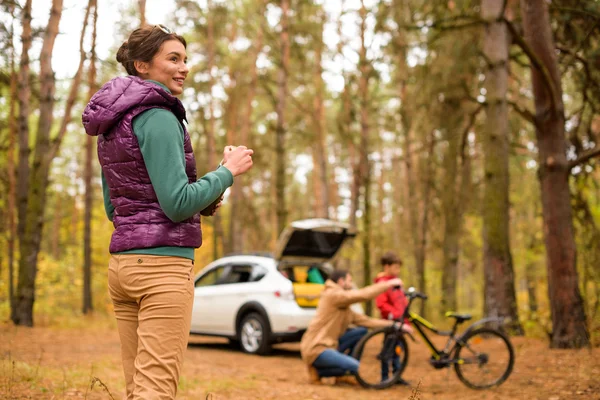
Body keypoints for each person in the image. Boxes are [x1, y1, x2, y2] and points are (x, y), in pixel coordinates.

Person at [82, 24, 253, 400]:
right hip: (162, 270)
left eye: (186, 59)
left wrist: (209, 195)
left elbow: (118, 205)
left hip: (123, 267)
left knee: (138, 388)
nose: (184, 68)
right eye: (173, 58)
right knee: (155, 390)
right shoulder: (158, 115)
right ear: (142, 65)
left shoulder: (114, 123)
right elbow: (175, 204)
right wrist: (227, 171)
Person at [300, 269, 410, 385]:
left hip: (330, 344)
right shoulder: (333, 295)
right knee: (354, 366)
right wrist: (388, 284)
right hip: (316, 347)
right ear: (341, 282)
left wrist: (395, 325)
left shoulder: (344, 307)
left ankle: (342, 375)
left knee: (361, 331)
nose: (352, 284)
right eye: (350, 281)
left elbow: (368, 321)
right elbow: (363, 295)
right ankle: (318, 371)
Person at [375, 251, 413, 386]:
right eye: (395, 267)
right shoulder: (382, 284)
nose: (398, 271)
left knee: (398, 349)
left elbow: (401, 301)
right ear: (387, 267)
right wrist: (394, 315)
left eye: (399, 267)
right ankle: (384, 377)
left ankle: (396, 375)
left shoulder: (397, 283)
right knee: (387, 349)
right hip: (391, 322)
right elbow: (381, 304)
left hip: (401, 322)